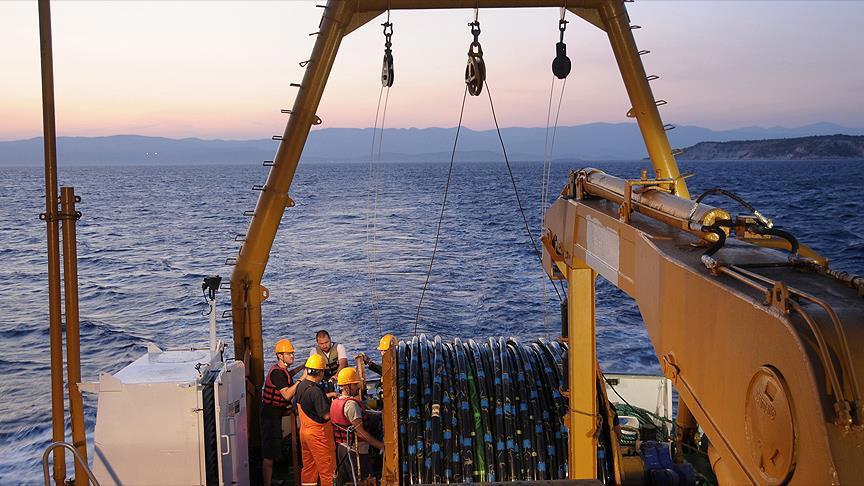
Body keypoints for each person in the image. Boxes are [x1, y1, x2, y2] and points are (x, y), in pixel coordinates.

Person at [331, 367, 384, 482]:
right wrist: (380, 445)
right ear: (347, 387)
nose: (358, 387)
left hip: (341, 449)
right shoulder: (351, 405)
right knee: (362, 480)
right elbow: (361, 433)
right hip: (356, 452)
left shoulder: (335, 403)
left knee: (347, 480)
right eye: (354, 385)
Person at [262, 339, 300, 486]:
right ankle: (267, 483)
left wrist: (302, 368)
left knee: (277, 448)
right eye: (289, 353)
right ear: (279, 356)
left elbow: (288, 377)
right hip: (270, 415)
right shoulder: (277, 374)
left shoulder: (282, 371)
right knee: (269, 453)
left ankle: (275, 479)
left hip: (277, 413)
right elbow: (286, 395)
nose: (292, 356)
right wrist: (301, 380)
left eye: (292, 353)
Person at [294, 354, 336, 486]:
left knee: (309, 468)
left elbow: (306, 404)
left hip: (304, 433)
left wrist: (327, 396)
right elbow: (326, 416)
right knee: (327, 470)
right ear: (320, 372)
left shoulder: (301, 386)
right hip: (318, 435)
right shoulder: (316, 391)